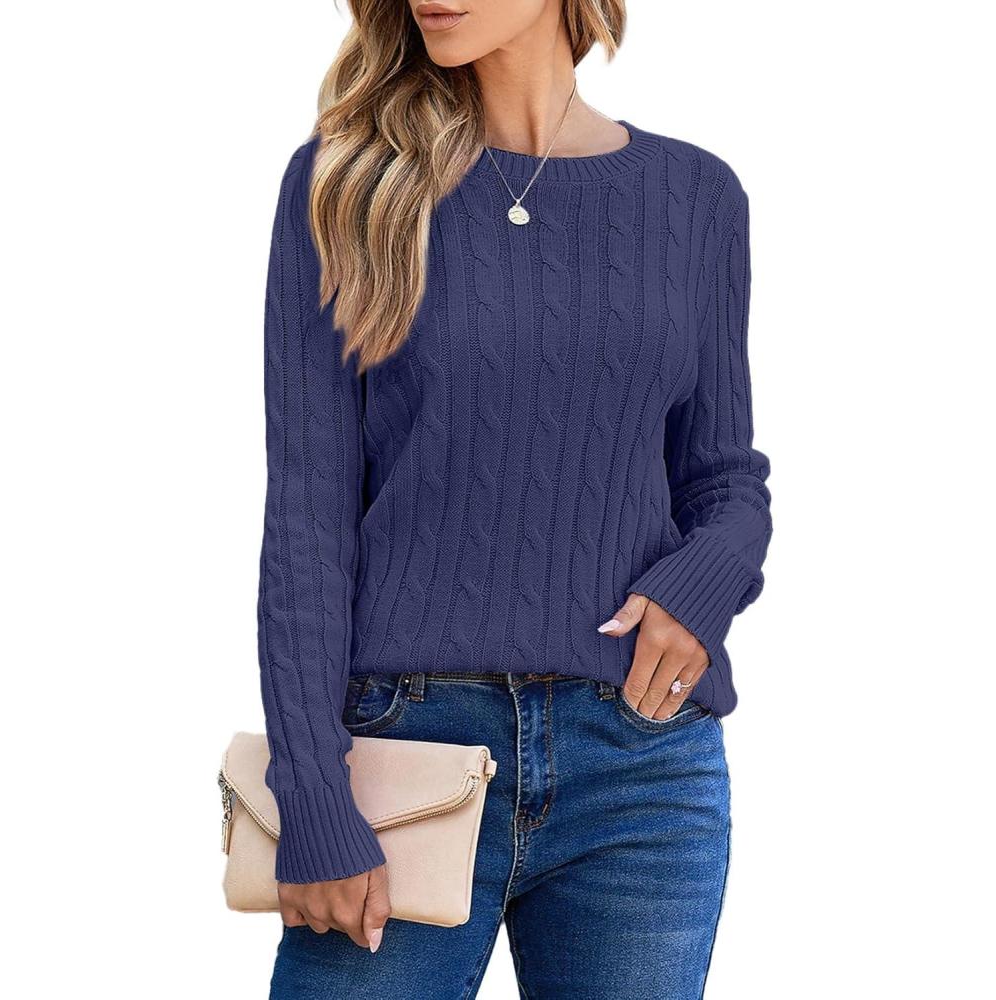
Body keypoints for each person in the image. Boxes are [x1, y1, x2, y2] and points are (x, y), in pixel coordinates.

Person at [257, 1, 772, 996]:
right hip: (402, 753)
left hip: (641, 765)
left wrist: (702, 581)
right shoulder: (347, 181)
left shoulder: (696, 195)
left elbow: (722, 476)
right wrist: (311, 791)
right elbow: (307, 519)